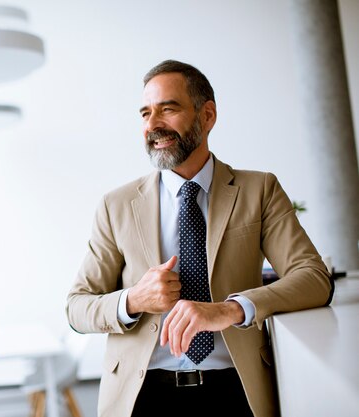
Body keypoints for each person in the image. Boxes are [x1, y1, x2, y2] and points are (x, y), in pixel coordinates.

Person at [65, 60, 332, 417]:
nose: (153, 125)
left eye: (168, 109)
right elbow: (77, 307)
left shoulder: (259, 190)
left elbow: (314, 278)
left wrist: (230, 309)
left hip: (237, 390)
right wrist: (133, 300)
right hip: (142, 397)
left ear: (207, 116)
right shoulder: (117, 206)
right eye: (145, 113)